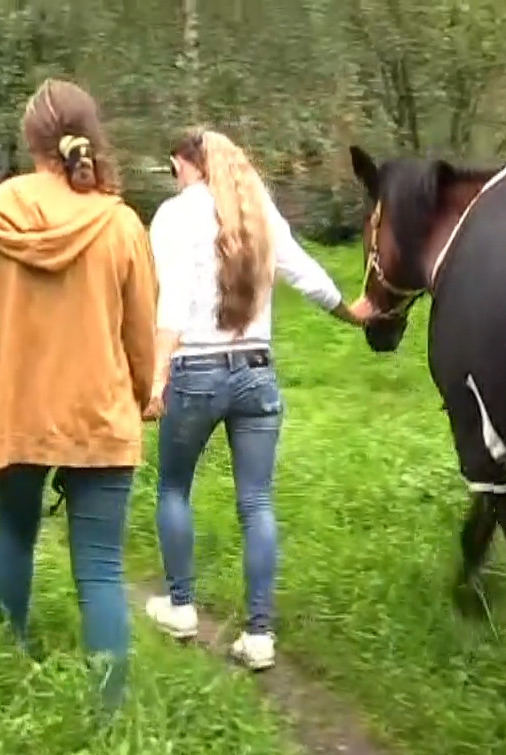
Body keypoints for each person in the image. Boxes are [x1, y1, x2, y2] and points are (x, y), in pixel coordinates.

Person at [0, 78, 159, 715]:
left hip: (13, 412)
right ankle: (109, 720)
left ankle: (5, 682)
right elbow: (141, 335)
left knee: (12, 538)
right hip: (99, 418)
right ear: (85, 135)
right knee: (99, 569)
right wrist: (140, 397)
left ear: (29, 138)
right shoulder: (120, 223)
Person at [142, 128, 372, 671]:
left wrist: (155, 378)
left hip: (195, 371)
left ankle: (179, 606)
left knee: (174, 486)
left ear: (186, 163)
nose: (174, 175)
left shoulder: (174, 216)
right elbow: (308, 275)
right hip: (256, 371)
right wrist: (353, 312)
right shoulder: (257, 209)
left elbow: (171, 300)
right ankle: (260, 636)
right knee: (257, 504)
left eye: (173, 165)